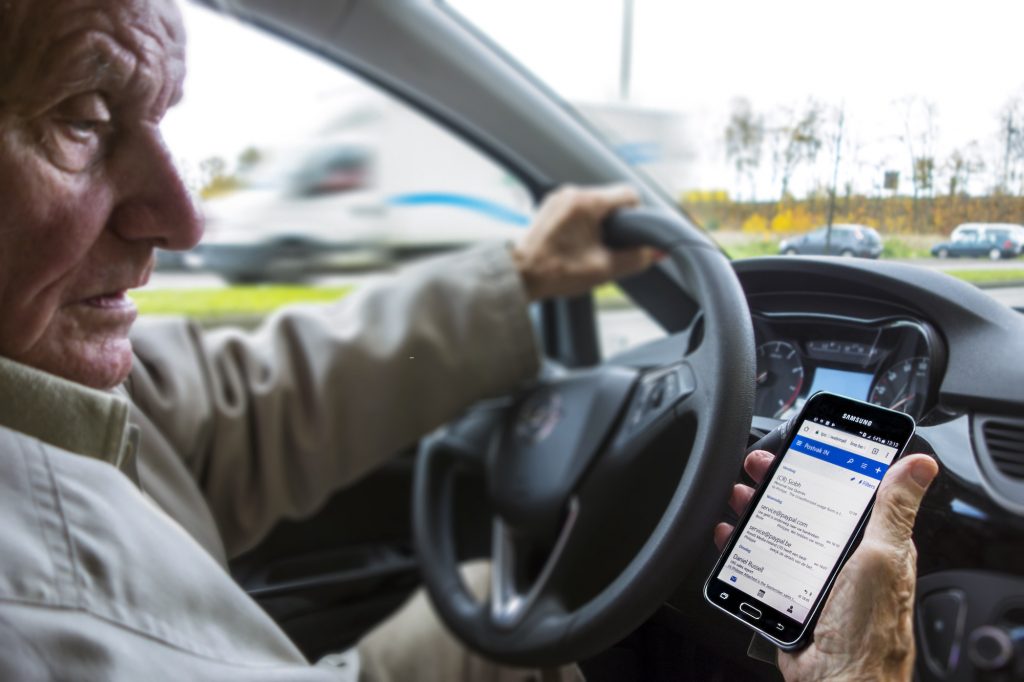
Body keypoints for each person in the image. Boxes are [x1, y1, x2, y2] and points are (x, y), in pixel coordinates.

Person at [0, 0, 937, 680]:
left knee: (506, 608)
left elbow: (227, 411)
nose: (183, 218)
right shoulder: (38, 622)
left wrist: (519, 276)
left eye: (161, 123)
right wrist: (858, 675)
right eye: (81, 120)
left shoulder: (39, 387)